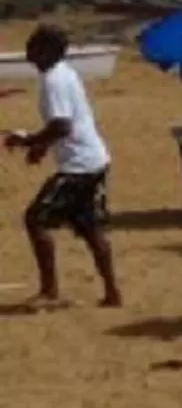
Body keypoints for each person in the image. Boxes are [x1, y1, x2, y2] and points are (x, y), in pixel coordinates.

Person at [3, 25, 119, 308]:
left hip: (79, 166)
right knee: (89, 226)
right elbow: (65, 123)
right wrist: (40, 147)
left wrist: (30, 141)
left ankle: (49, 291)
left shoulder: (54, 80)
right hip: (94, 160)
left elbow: (62, 126)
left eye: (33, 47)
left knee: (35, 219)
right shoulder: (64, 73)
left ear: (46, 51)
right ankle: (113, 292)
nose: (28, 52)